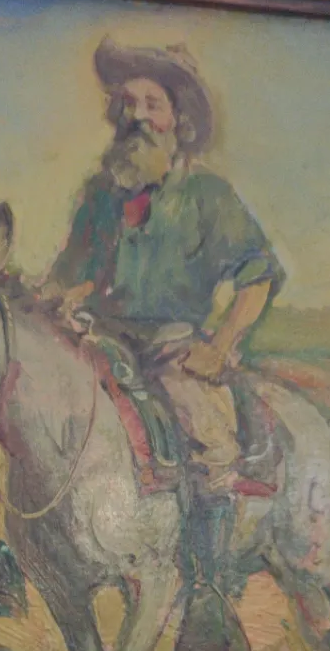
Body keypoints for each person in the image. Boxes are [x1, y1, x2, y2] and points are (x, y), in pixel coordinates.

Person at [45, 37, 285, 494]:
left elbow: (258, 277)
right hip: (100, 343)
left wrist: (219, 348)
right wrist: (62, 299)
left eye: (152, 104)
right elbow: (70, 276)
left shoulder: (208, 195)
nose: (137, 116)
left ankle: (213, 537)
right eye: (128, 103)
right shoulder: (99, 195)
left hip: (171, 350)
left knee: (209, 449)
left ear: (179, 119)